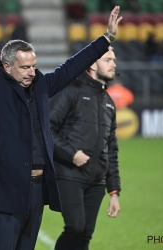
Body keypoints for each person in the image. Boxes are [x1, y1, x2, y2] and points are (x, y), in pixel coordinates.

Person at [0, 3, 122, 249]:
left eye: (34, 66)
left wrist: (106, 38)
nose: (32, 72)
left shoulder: (41, 85)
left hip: (36, 191)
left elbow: (73, 66)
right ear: (7, 66)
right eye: (25, 67)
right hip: (6, 190)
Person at [50, 47, 121, 250]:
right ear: (92, 64)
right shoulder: (71, 90)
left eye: (114, 60)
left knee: (85, 237)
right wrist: (71, 154)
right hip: (69, 174)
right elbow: (46, 128)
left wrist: (114, 191)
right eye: (108, 60)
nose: (114, 64)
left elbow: (112, 149)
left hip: (97, 181)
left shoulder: (109, 102)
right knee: (75, 227)